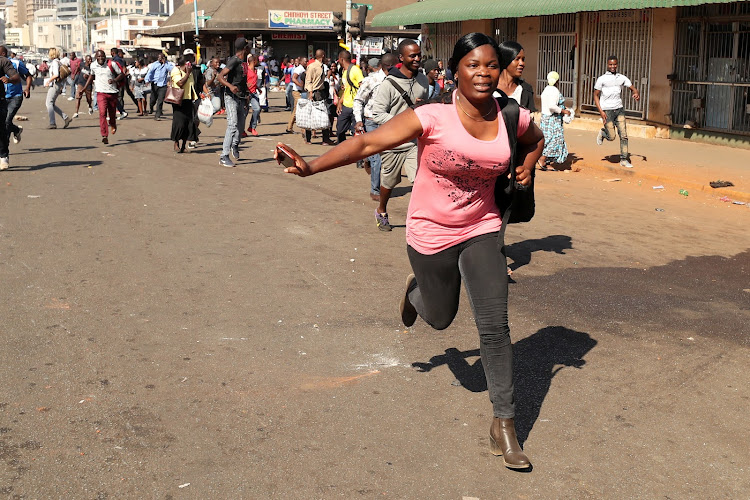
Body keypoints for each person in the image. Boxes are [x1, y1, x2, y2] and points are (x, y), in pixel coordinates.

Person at [276, 32, 544, 470]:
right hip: (431, 230)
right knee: (440, 318)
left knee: (495, 327)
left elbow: (536, 140)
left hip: (483, 227)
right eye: (473, 65)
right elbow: (366, 143)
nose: (483, 73)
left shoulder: (510, 114)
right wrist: (311, 166)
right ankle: (417, 290)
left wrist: (527, 168)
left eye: (491, 65)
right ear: (455, 70)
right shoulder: (432, 116)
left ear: (501, 71)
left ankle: (505, 426)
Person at [370, 38, 429, 231]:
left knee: (420, 180)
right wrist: (403, 121)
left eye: (419, 54)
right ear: (401, 57)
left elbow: (425, 108)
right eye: (412, 55)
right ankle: (381, 209)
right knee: (388, 182)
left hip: (414, 143)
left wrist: (423, 107)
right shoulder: (389, 84)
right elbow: (377, 113)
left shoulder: (422, 80)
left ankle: (420, 219)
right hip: (392, 143)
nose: (417, 58)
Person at [353, 53, 397, 202]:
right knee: (377, 157)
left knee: (389, 156)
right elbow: (358, 100)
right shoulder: (371, 80)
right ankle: (375, 190)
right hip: (371, 121)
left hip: (388, 122)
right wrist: (358, 120)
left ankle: (368, 158)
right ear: (388, 66)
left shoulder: (397, 80)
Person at [593, 55, 640, 168]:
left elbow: (632, 88)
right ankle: (603, 133)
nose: (613, 66)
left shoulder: (621, 77)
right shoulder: (602, 79)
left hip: (619, 109)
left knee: (623, 135)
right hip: (607, 111)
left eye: (614, 64)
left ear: (617, 65)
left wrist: (635, 93)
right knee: (612, 136)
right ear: (607, 65)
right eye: (610, 64)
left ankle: (624, 159)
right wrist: (601, 112)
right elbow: (595, 95)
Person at [216, 37, 250, 168]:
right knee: (232, 125)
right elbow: (220, 77)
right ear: (244, 49)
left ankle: (235, 144)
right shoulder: (234, 60)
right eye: (248, 47)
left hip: (241, 97)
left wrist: (247, 95)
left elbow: (242, 80)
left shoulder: (243, 62)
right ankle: (224, 156)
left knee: (240, 127)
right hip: (231, 97)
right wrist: (230, 86)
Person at [81, 49, 124, 144]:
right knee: (102, 113)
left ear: (105, 56)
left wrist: (114, 80)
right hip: (100, 93)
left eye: (102, 56)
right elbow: (92, 76)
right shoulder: (93, 65)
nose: (101, 58)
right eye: (99, 56)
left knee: (112, 114)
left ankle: (113, 124)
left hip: (112, 92)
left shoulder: (111, 64)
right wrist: (85, 87)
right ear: (96, 57)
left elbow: (121, 74)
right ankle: (104, 135)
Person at [538, 71, 571, 170]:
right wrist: (564, 111)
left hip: (545, 119)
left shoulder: (546, 90)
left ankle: (546, 161)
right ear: (557, 81)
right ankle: (542, 159)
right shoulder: (554, 91)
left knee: (546, 140)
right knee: (555, 140)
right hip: (552, 120)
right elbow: (552, 106)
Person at [0, 46, 31, 149]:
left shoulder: (16, 63)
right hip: (3, 97)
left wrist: (27, 88)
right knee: (4, 123)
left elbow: (28, 75)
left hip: (15, 96)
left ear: (3, 54)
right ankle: (17, 130)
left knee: (7, 122)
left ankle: (5, 152)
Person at [302, 49, 334, 145]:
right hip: (315, 93)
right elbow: (308, 81)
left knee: (324, 116)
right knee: (312, 115)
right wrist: (311, 93)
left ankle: (325, 138)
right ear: (323, 56)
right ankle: (308, 138)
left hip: (322, 92)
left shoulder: (322, 66)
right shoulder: (312, 67)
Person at [169, 56, 199, 153]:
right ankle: (176, 143)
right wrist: (188, 73)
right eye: (188, 64)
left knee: (188, 123)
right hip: (179, 100)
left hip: (188, 99)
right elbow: (180, 83)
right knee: (179, 123)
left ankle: (183, 145)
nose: (190, 66)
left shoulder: (189, 73)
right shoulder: (176, 71)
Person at [496, 41, 536, 112]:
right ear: (506, 60)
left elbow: (530, 117)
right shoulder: (490, 88)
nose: (522, 63)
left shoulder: (526, 89)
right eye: (517, 59)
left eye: (523, 59)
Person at [336, 50, 363, 144]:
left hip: (356, 106)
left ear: (342, 59)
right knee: (339, 130)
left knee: (356, 132)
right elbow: (347, 89)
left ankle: (356, 155)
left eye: (339, 59)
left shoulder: (355, 70)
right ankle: (342, 149)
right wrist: (340, 102)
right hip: (346, 106)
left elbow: (363, 87)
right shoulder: (345, 72)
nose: (338, 61)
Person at [0, 50, 21, 170]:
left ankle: (3, 156)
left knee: (2, 128)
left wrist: (9, 80)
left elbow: (16, 78)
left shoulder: (3, 61)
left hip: (2, 99)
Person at [44, 48, 73, 130]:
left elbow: (56, 74)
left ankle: (52, 123)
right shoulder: (59, 62)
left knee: (48, 103)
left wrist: (48, 81)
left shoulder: (55, 62)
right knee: (51, 104)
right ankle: (65, 117)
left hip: (55, 85)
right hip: (59, 85)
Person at [145, 53, 174, 121]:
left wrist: (165, 63)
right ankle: (151, 107)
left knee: (160, 100)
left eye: (161, 58)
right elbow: (150, 72)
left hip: (163, 85)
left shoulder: (168, 64)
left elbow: (171, 69)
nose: (160, 59)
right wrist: (147, 80)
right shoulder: (155, 64)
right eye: (159, 58)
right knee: (153, 99)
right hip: (155, 84)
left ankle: (157, 115)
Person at [285, 56, 307, 134]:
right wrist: (300, 85)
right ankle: (302, 129)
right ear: (301, 62)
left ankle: (289, 127)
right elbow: (294, 78)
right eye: (305, 61)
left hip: (301, 91)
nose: (306, 62)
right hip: (297, 91)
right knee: (299, 109)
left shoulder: (303, 69)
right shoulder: (299, 69)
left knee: (296, 110)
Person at [245, 54, 262, 137]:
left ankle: (252, 127)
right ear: (254, 61)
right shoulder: (246, 71)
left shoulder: (255, 70)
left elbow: (253, 81)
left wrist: (258, 88)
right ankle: (241, 130)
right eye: (257, 61)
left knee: (257, 109)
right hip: (247, 93)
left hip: (254, 93)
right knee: (244, 112)